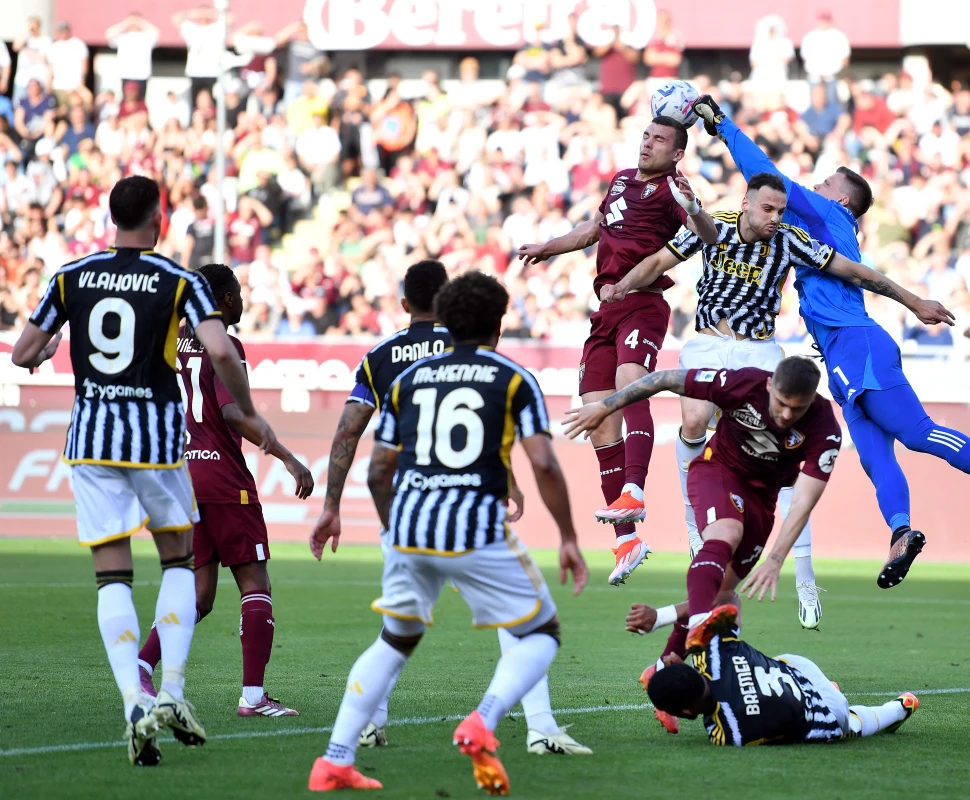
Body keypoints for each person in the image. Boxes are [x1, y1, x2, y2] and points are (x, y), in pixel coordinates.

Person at [693, 96, 970, 588]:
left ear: (838, 200)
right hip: (843, 354)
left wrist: (721, 126)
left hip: (858, 346)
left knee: (915, 431)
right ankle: (901, 532)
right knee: (875, 456)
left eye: (824, 184)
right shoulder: (817, 226)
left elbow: (765, 172)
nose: (813, 187)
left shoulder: (825, 216)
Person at [602, 173, 954, 624]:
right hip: (710, 341)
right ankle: (697, 535)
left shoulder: (791, 241)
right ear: (747, 202)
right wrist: (621, 287)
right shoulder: (717, 225)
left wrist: (912, 300)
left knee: (782, 459)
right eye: (767, 209)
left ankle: (805, 577)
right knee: (693, 422)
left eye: (780, 211)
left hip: (759, 350)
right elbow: (656, 263)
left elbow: (857, 272)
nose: (774, 218)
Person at [10, 175, 278, 766]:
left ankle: (136, 700)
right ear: (157, 219)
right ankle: (175, 692)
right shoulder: (178, 280)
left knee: (113, 577)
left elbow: (23, 353)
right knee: (179, 562)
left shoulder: (70, 276)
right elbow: (222, 350)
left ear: (111, 217)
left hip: (91, 443)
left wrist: (55, 351)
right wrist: (251, 410)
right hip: (155, 444)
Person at [308, 272, 588, 794]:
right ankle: (485, 720)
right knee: (540, 633)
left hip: (409, 525)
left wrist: (398, 531)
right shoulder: (512, 377)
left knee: (395, 639)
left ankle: (335, 759)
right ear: (498, 327)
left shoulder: (406, 380)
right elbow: (545, 464)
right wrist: (568, 536)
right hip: (475, 528)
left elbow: (376, 471)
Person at [564, 357, 841, 728]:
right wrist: (604, 406)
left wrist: (776, 558)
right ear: (771, 384)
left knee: (723, 597)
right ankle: (699, 630)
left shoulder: (825, 429)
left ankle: (661, 668)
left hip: (763, 501)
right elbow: (663, 378)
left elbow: (805, 500)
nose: (788, 414)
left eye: (798, 407)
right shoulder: (742, 383)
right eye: (781, 403)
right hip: (718, 471)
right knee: (725, 535)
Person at [516, 117, 718, 587]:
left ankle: (633, 489)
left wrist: (696, 210)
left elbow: (706, 236)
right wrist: (549, 247)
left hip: (641, 304)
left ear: (677, 153)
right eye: (646, 136)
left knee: (630, 385)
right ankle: (627, 539)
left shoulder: (675, 189)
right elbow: (593, 229)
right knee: (598, 417)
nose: (648, 144)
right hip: (605, 307)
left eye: (660, 140)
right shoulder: (622, 180)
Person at [136, 262, 312, 719]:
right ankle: (253, 697)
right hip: (222, 477)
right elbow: (233, 414)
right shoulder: (226, 344)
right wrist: (286, 455)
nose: (242, 300)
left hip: (181, 475)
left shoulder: (170, 341)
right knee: (255, 583)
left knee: (199, 594)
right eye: (236, 293)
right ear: (225, 299)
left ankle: (140, 665)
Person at [646, 603, 920, 746]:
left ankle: (899, 708)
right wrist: (686, 656)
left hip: (828, 710)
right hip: (799, 668)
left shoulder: (727, 734)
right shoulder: (713, 654)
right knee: (773, 664)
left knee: (846, 725)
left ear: (684, 711)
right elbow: (730, 601)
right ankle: (829, 689)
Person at [105, 13, 159, 102]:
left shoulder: (147, 37)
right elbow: (108, 34)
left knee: (140, 102)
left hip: (142, 75)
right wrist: (126, 23)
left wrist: (142, 22)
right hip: (126, 74)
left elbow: (157, 34)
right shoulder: (123, 37)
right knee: (126, 102)